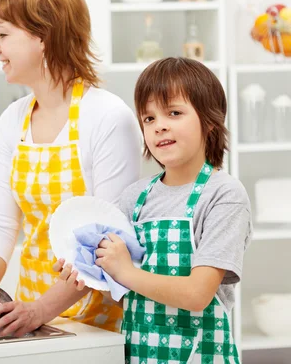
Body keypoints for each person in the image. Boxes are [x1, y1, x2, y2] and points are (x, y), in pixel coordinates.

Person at [0, 0, 142, 337]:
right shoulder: (13, 120)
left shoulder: (108, 118)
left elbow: (109, 241)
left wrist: (41, 310)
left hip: (96, 322)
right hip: (30, 311)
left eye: (3, 34)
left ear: (43, 37)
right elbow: (1, 224)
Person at [57, 57, 252, 363]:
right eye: (148, 118)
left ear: (210, 121)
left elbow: (197, 294)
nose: (159, 125)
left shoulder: (223, 195)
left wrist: (125, 271)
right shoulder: (134, 198)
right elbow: (119, 292)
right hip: (141, 355)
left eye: (174, 113)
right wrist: (90, 271)